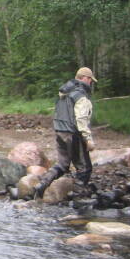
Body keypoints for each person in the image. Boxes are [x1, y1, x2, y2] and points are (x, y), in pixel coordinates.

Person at [35, 67, 97, 199]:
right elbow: (81, 119)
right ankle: (78, 196)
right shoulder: (80, 95)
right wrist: (88, 139)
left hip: (60, 131)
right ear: (85, 78)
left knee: (62, 164)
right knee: (85, 168)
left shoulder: (64, 92)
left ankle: (42, 184)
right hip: (73, 133)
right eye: (90, 79)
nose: (91, 82)